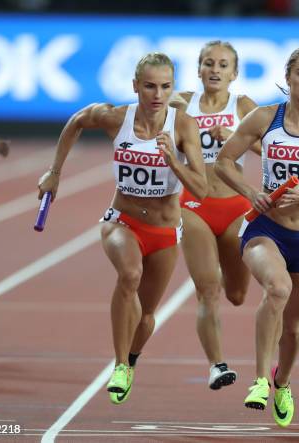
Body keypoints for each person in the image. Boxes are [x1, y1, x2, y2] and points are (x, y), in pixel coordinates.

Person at [37, 52, 207, 405]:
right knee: (129, 275)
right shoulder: (117, 118)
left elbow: (202, 189)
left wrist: (173, 159)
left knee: (145, 317)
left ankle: (130, 361)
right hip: (123, 220)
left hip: (164, 230)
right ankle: (117, 365)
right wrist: (55, 171)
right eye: (149, 86)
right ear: (135, 86)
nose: (157, 94)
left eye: (165, 86)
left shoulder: (184, 126)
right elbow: (76, 122)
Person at [215, 46, 299, 427]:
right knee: (277, 289)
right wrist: (251, 193)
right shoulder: (264, 118)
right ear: (289, 77)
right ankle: (260, 380)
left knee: (294, 326)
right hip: (265, 229)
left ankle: (283, 381)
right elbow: (223, 160)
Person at [170, 41, 260, 390]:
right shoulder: (181, 103)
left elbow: (272, 148)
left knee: (236, 294)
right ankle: (216, 365)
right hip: (194, 205)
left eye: (223, 65)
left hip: (236, 206)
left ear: (234, 73)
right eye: (209, 63)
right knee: (207, 290)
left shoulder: (244, 108)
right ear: (199, 69)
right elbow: (153, 128)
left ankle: (219, 267)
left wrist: (236, 137)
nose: (215, 70)